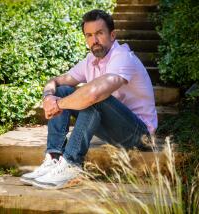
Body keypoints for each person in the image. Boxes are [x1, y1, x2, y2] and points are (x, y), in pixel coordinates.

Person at [20, 9, 157, 189]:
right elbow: (55, 81)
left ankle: (72, 165)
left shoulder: (123, 57)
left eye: (99, 33)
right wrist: (48, 97)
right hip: (113, 130)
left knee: (95, 98)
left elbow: (95, 94)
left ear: (112, 35)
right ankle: (54, 158)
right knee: (61, 90)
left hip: (139, 135)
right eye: (89, 35)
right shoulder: (90, 60)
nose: (94, 40)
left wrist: (58, 104)